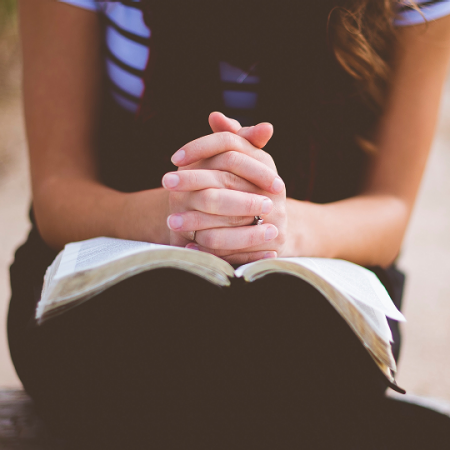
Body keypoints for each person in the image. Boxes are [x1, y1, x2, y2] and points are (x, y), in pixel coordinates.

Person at [7, 0, 450, 448]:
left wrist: (280, 226)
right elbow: (57, 191)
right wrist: (176, 216)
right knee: (128, 364)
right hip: (116, 267)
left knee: (302, 373)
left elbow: (390, 208)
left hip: (316, 277)